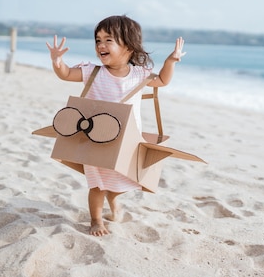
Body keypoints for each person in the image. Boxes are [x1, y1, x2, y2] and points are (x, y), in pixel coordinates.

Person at [46, 15, 186, 236]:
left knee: (120, 182)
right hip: (95, 138)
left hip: (125, 141)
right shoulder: (93, 72)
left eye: (108, 40)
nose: (101, 45)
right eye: (98, 40)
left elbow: (162, 81)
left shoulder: (139, 74)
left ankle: (114, 200)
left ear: (129, 46)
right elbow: (65, 74)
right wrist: (57, 61)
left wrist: (170, 61)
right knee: (97, 185)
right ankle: (96, 221)